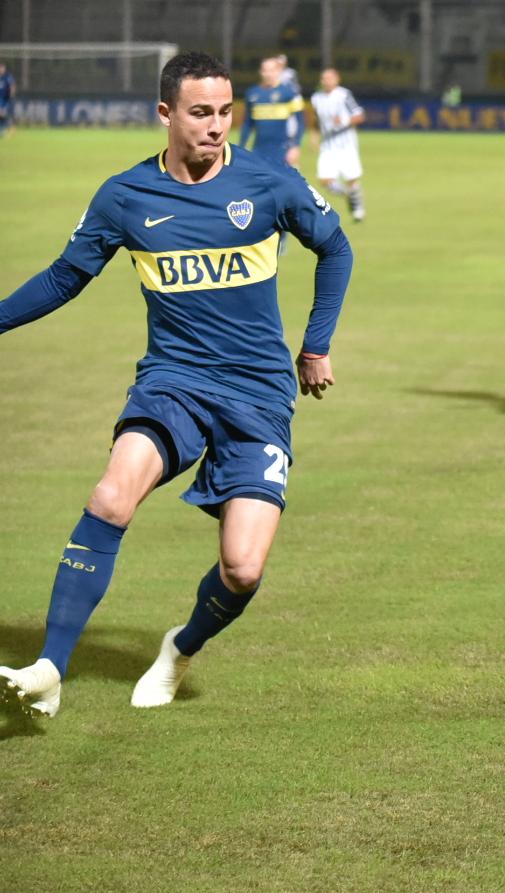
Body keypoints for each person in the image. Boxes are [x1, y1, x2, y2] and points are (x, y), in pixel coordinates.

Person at [0, 51, 353, 718]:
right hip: (174, 382)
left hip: (257, 395)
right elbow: (62, 277)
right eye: (200, 112)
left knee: (243, 569)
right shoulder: (125, 196)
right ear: (165, 113)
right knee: (110, 495)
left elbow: (336, 247)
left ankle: (180, 648)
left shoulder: (269, 183)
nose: (216, 126)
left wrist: (316, 344)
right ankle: (50, 666)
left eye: (224, 111)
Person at [310, 67, 366, 222]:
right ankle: (348, 194)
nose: (326, 81)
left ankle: (358, 210)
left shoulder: (343, 95)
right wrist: (314, 137)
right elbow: (316, 121)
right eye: (323, 78)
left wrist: (343, 121)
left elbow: (360, 115)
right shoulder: (316, 98)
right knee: (325, 180)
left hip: (346, 145)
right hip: (328, 146)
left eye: (329, 78)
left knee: (352, 179)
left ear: (337, 79)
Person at [240, 56, 304, 168]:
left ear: (279, 71)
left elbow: (300, 122)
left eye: (272, 70)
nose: (268, 74)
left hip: (283, 150)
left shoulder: (290, 93)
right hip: (258, 150)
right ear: (260, 72)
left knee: (287, 184)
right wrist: (242, 146)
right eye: (265, 70)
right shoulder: (252, 93)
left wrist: (295, 146)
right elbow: (247, 124)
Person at [0, 61, 16, 137]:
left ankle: (5, 128)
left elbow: (12, 86)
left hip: (5, 98)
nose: (1, 69)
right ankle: (5, 128)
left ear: (4, 69)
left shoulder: (7, 76)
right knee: (2, 113)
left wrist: (11, 95)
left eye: (2, 68)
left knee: (2, 113)